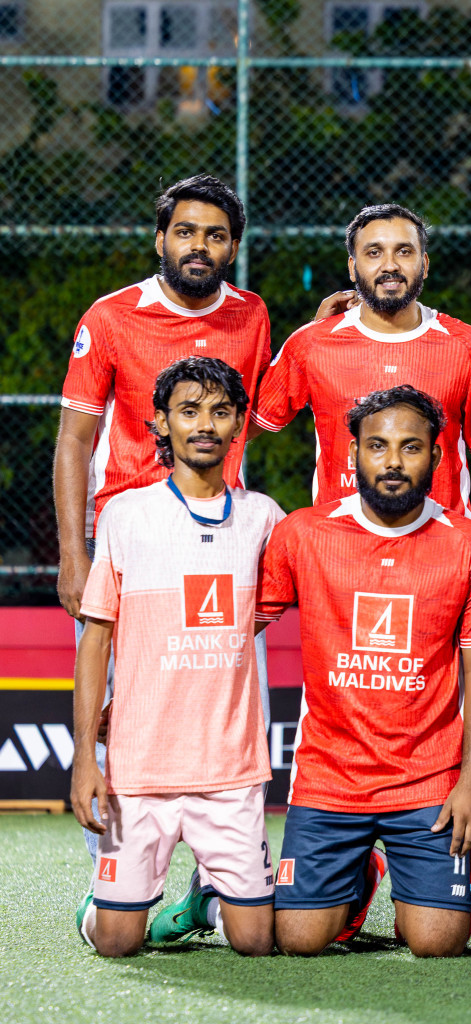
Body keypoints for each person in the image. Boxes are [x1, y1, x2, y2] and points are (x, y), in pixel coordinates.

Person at [55, 173, 274, 867]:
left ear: (232, 246)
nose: (199, 245)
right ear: (160, 238)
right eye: (185, 231)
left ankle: (221, 877)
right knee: (122, 708)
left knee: (228, 694)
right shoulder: (112, 317)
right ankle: (113, 871)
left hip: (222, 535)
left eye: (214, 234)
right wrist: (73, 552)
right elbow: (74, 441)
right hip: (133, 538)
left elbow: (258, 416)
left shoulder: (252, 315)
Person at [256, 386, 471, 958]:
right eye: (378, 446)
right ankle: (362, 874)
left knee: (437, 943)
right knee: (297, 942)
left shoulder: (468, 544)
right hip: (330, 777)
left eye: (410, 447)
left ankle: (403, 879)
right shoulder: (303, 534)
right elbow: (240, 633)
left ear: (438, 458)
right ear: (352, 455)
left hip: (427, 778)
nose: (393, 462)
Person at [71, 357, 284, 958]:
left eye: (220, 411)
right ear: (159, 423)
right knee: (115, 943)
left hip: (231, 769)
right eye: (188, 411)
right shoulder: (124, 515)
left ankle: (205, 902)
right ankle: (103, 903)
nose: (205, 425)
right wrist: (86, 758)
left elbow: (268, 613)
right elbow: (95, 642)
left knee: (256, 942)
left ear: (240, 423)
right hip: (140, 770)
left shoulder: (265, 519)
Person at [254, 203, 471, 516]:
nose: (390, 265)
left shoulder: (463, 345)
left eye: (404, 251)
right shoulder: (312, 343)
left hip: (439, 546)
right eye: (374, 252)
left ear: (425, 264)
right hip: (340, 546)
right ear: (352, 267)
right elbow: (243, 426)